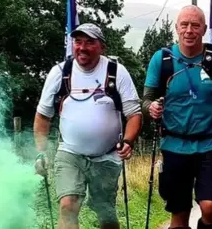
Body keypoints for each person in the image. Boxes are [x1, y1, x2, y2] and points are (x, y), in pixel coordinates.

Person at [142, 5, 212, 229]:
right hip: (174, 144)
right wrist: (152, 109)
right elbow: (146, 99)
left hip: (211, 143)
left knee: (210, 208)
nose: (189, 30)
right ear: (177, 28)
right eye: (184, 25)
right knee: (178, 217)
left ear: (204, 29)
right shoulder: (162, 59)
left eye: (195, 25)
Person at [33, 23, 142, 229]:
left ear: (102, 47)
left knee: (105, 212)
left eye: (89, 42)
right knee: (67, 205)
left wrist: (128, 140)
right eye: (78, 42)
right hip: (69, 152)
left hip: (108, 155)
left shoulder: (116, 72)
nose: (82, 47)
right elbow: (42, 116)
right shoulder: (59, 73)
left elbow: (134, 114)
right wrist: (41, 153)